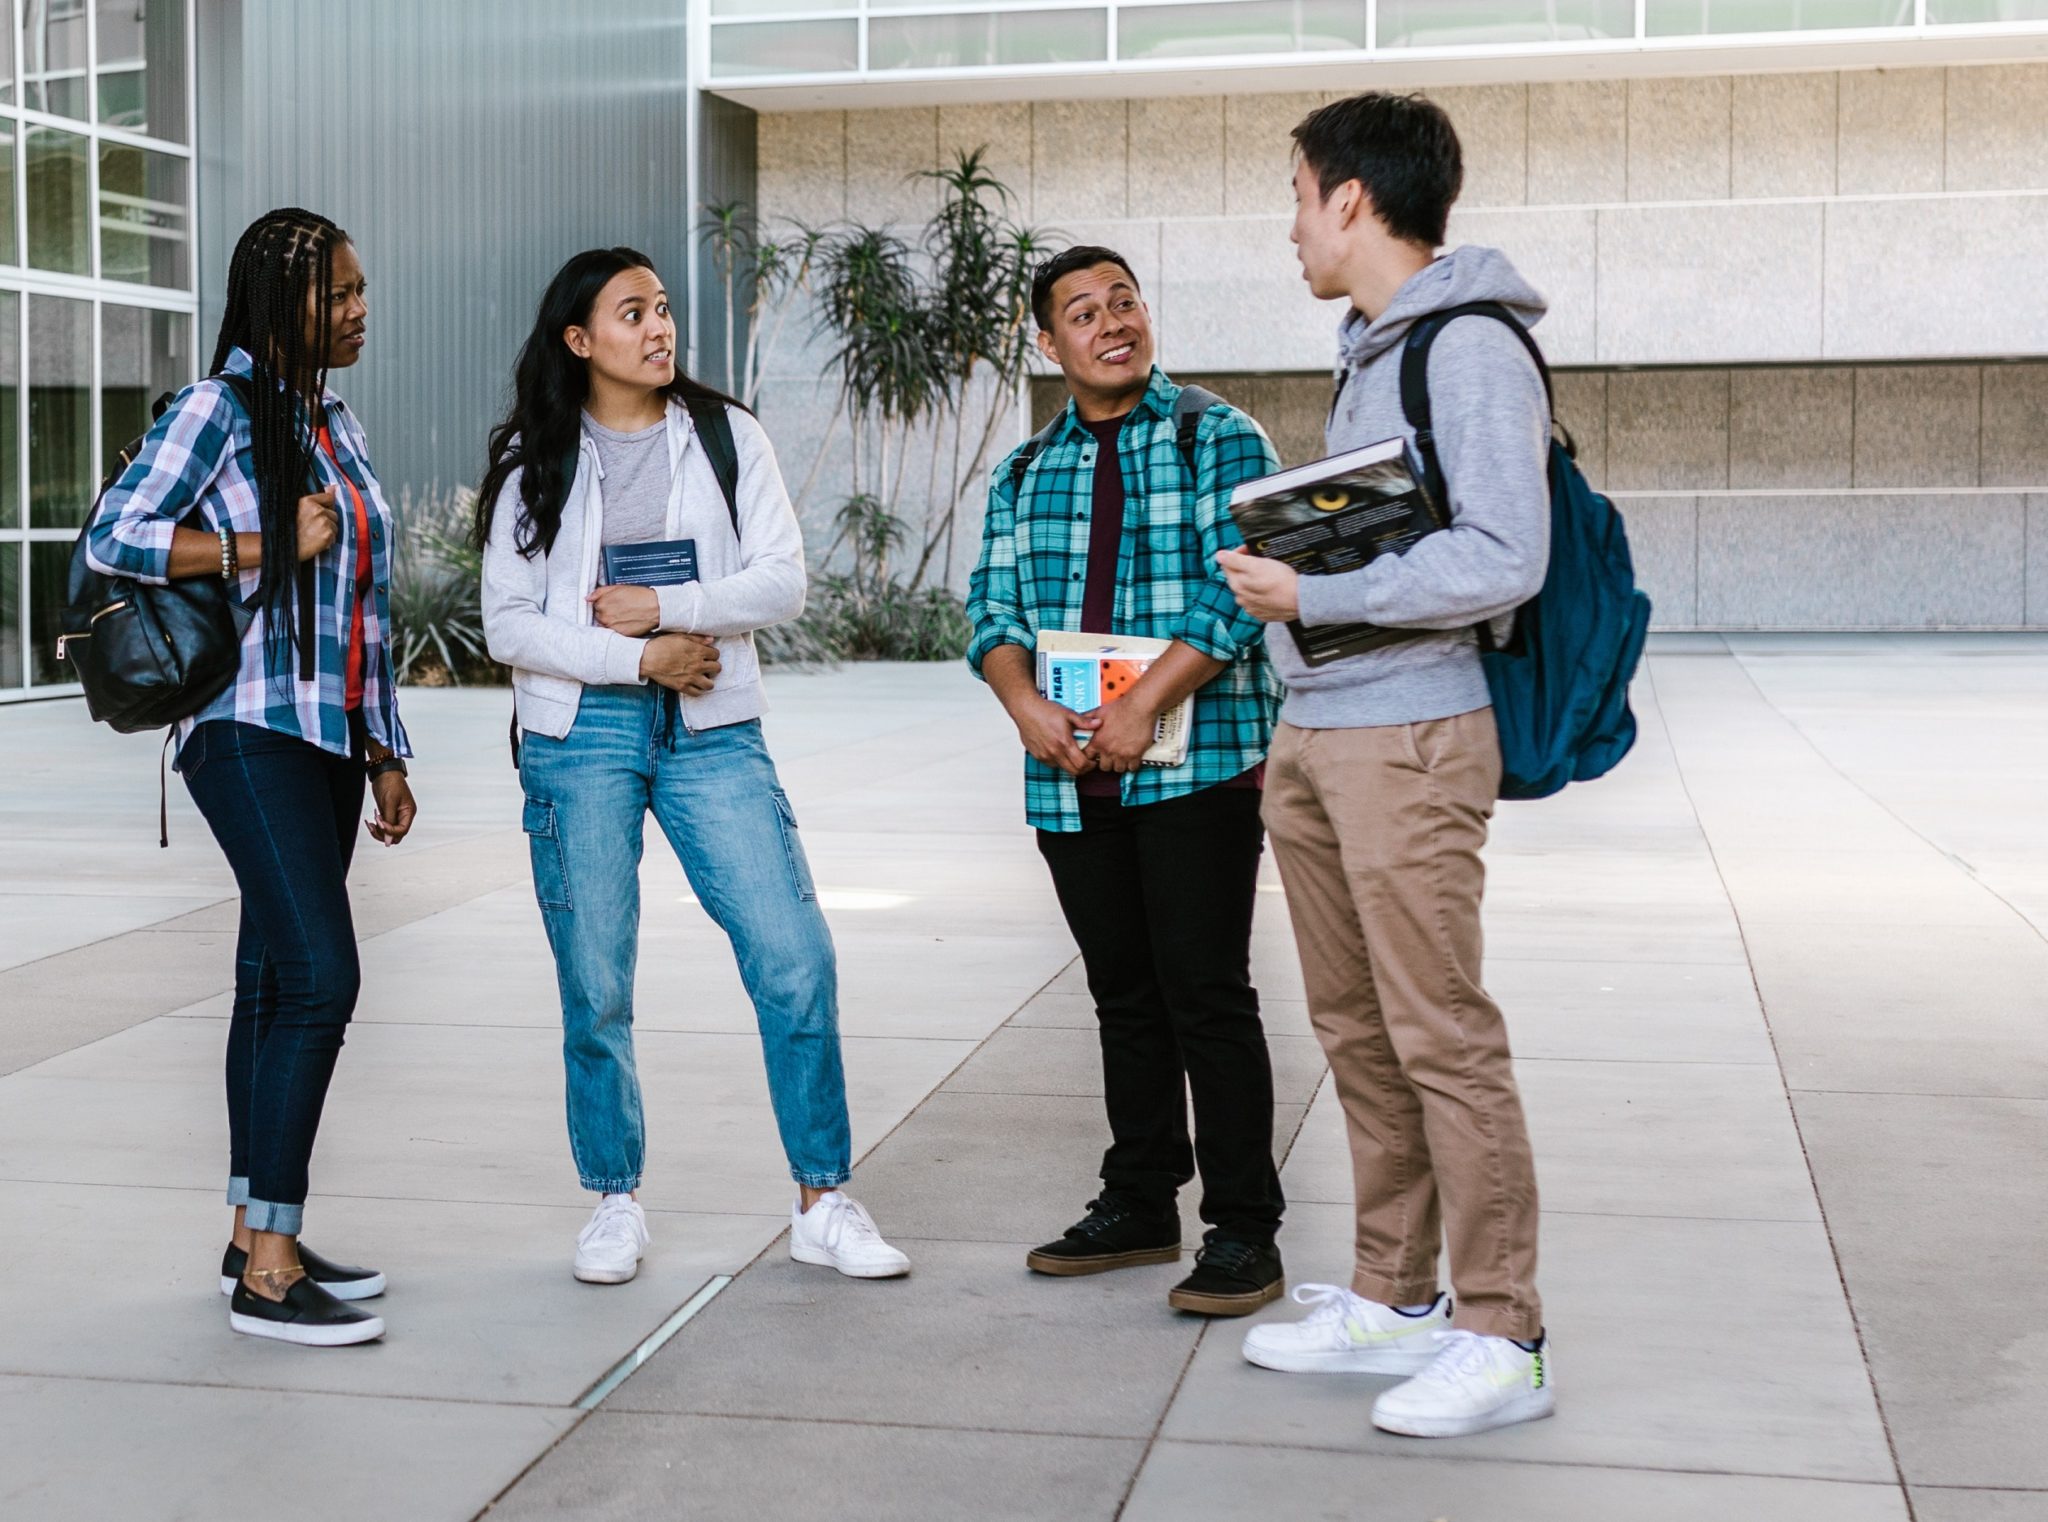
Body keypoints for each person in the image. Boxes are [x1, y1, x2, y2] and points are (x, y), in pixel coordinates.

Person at [1217, 93, 1555, 1437]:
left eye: (1299, 195)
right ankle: (1395, 1292)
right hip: (1324, 729)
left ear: (1350, 198)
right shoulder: (1372, 347)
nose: (1292, 226)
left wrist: (1315, 599)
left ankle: (1503, 1328)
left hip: (1409, 731)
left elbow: (1504, 556)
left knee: (1440, 1033)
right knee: (1356, 1029)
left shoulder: (1469, 347)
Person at [477, 247, 909, 1286]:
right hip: (582, 736)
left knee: (793, 955)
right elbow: (507, 623)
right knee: (597, 980)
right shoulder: (534, 457)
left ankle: (822, 1200)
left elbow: (781, 581)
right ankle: (613, 1199)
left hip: (713, 729)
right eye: (633, 313)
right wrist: (639, 657)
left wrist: (670, 611)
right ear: (579, 340)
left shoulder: (724, 436)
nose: (659, 327)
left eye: (663, 308)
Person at [85, 208, 414, 1348]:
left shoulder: (333, 420)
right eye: (340, 295)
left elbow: (363, 604)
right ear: (282, 307)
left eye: (361, 289)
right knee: (321, 978)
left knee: (275, 983)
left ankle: (250, 1231)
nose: (360, 310)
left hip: (325, 736)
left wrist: (384, 749)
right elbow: (114, 536)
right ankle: (269, 1273)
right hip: (245, 727)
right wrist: (260, 544)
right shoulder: (211, 413)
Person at [967, 245, 1289, 1316]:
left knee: (1206, 995)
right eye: (1081, 311)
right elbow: (992, 612)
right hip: (1070, 775)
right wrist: (1025, 707)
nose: (1111, 323)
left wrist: (1144, 701)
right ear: (1045, 341)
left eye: (1124, 301)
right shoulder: (1021, 472)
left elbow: (1239, 593)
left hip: (1196, 764)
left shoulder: (1214, 436)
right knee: (1122, 998)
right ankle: (1140, 1199)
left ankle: (1243, 1230)